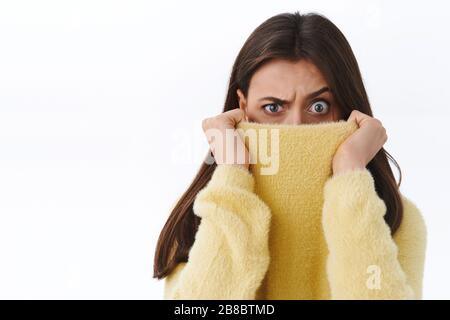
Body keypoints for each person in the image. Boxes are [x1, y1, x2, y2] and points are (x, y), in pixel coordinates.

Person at [153, 11, 427, 299]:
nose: (296, 128)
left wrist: (350, 175)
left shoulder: (394, 217)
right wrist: (233, 173)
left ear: (348, 110)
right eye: (273, 108)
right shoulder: (200, 215)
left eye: (319, 107)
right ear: (242, 106)